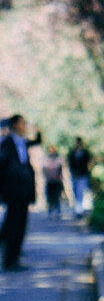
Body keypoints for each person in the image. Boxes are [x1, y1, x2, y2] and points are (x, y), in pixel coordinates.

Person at [0, 114, 38, 270]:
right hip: (13, 191)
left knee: (20, 225)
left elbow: (36, 142)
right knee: (13, 225)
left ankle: (15, 257)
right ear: (15, 125)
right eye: (22, 123)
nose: (24, 126)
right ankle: (10, 259)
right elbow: (4, 165)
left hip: (24, 192)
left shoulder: (22, 142)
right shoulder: (7, 143)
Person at [67, 137, 92, 216]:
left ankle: (80, 209)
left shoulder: (85, 153)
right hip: (75, 175)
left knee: (81, 191)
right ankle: (77, 208)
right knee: (75, 191)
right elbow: (70, 164)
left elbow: (89, 163)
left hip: (82, 175)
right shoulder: (72, 153)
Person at [42, 146, 65, 217]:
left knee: (56, 196)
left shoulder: (58, 159)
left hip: (56, 181)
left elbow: (61, 170)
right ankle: (51, 210)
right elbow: (44, 170)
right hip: (50, 181)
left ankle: (57, 210)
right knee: (50, 196)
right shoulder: (47, 159)